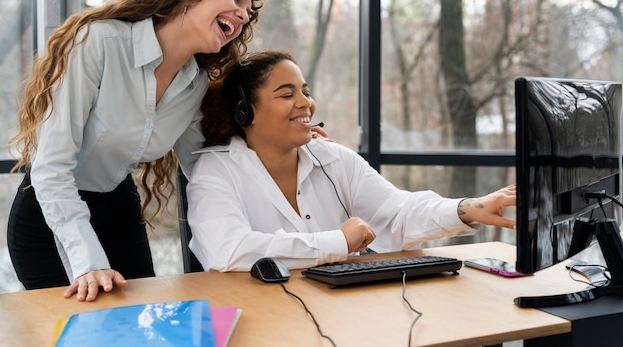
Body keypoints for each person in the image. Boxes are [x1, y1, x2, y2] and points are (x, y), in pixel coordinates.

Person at [6, 0, 266, 301]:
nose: (244, 15)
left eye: (247, 12)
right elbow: (51, 168)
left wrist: (292, 148)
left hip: (118, 208)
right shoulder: (98, 43)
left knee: (141, 318)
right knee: (81, 330)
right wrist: (88, 261)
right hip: (50, 213)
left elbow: (205, 165)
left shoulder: (195, 83)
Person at [186, 50, 517, 272]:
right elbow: (227, 249)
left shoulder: (333, 158)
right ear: (246, 111)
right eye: (287, 95)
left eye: (305, 91)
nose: (306, 104)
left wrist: (463, 208)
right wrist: (339, 242)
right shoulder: (216, 170)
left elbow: (397, 212)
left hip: (340, 311)